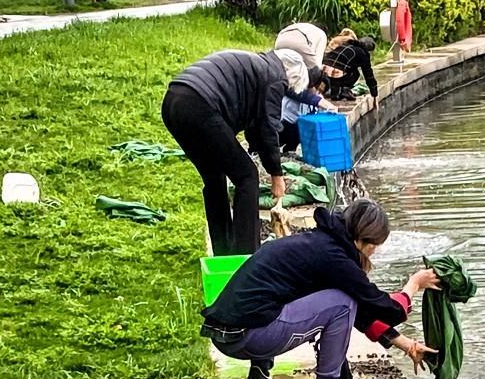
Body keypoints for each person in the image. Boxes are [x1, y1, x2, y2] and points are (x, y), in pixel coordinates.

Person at [201, 199, 439, 379]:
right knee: (341, 303)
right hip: (249, 337)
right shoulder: (334, 258)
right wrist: (414, 284)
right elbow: (386, 309)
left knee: (289, 297)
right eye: (375, 246)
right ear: (364, 241)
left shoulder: (316, 244)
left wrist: (407, 345)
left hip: (225, 335)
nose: (374, 252)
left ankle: (259, 375)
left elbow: (363, 314)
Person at [161, 47, 309, 257]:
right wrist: (277, 175)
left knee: (214, 177)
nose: (284, 91)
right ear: (290, 75)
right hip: (200, 103)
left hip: (173, 102)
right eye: (288, 88)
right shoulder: (275, 77)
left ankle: (223, 253)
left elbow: (255, 126)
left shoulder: (259, 65)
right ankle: (246, 254)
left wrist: (260, 152)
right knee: (247, 176)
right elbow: (268, 128)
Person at [280, 67, 334, 155]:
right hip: (281, 127)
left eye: (320, 91)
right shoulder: (295, 89)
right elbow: (303, 96)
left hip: (297, 131)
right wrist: (321, 102)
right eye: (316, 88)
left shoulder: (317, 97)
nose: (316, 92)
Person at [323, 33, 378, 104]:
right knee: (355, 74)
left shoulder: (346, 45)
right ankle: (344, 90)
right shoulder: (363, 53)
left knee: (347, 70)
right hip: (337, 71)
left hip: (324, 67)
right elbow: (368, 75)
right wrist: (374, 93)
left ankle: (335, 93)